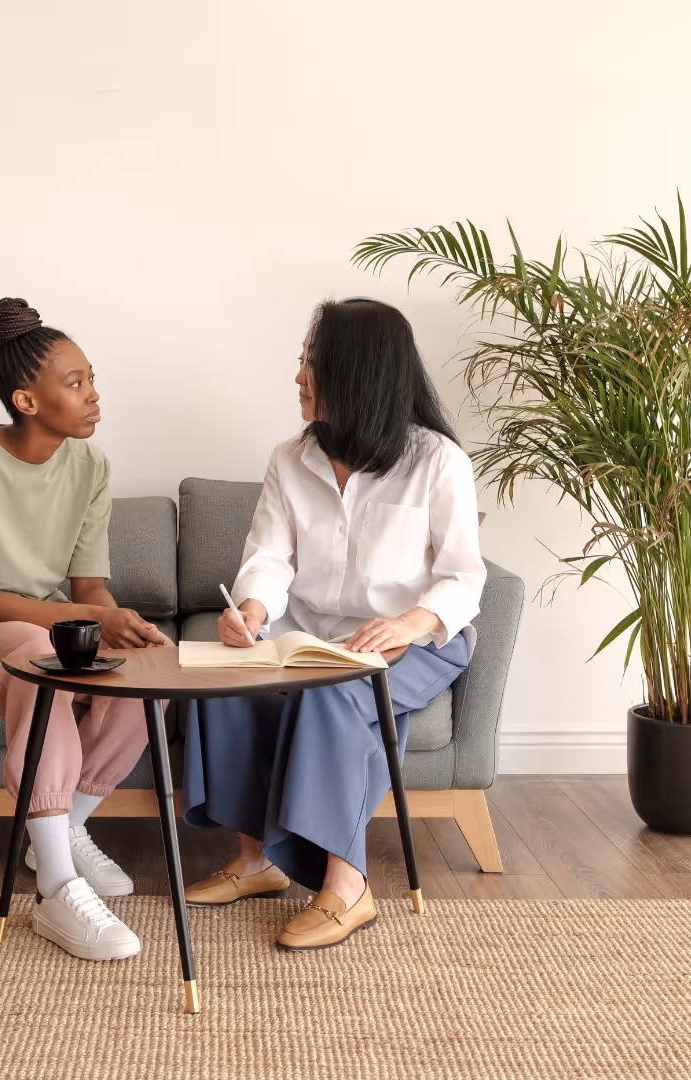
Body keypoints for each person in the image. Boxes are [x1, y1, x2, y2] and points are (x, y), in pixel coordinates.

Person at [182, 298, 487, 951]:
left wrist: (409, 622)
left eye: (309, 364)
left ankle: (348, 887)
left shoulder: (438, 462)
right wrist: (253, 613)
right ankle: (256, 861)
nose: (298, 377)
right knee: (227, 676)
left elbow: (464, 576)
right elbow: (268, 557)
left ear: (355, 372)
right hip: (311, 631)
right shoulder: (290, 458)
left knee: (333, 694)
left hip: (418, 640)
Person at [0, 297, 171, 962]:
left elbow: (87, 590)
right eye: (75, 384)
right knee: (30, 653)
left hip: (46, 629)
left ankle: (61, 829)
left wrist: (116, 625)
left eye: (91, 379)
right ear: (26, 399)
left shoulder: (91, 468)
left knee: (148, 667)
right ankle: (57, 888)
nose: (94, 396)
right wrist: (91, 619)